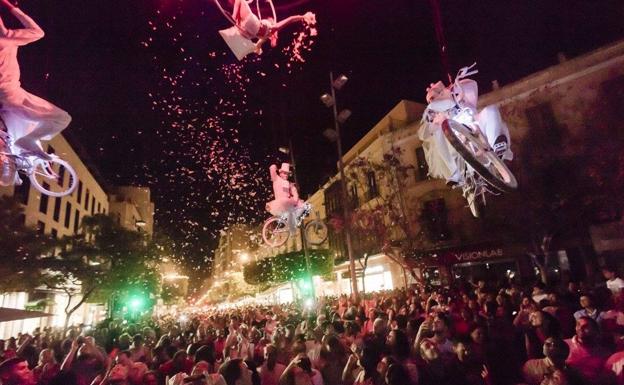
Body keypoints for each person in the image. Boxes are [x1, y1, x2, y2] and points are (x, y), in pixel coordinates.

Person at [417, 64, 512, 187]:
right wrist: (431, 120)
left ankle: (498, 144)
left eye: (435, 96)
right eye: (431, 100)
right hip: (457, 141)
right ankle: (454, 172)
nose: (434, 101)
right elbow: (424, 133)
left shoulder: (458, 96)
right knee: (437, 133)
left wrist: (455, 88)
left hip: (476, 127)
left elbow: (471, 86)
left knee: (491, 110)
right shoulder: (435, 114)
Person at [0, 0, 71, 161]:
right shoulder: (7, 38)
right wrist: (12, 8)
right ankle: (24, 146)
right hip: (11, 95)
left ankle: (18, 159)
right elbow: (38, 32)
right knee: (61, 118)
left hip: (7, 96)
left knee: (27, 126)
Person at [216, 0, 316, 60]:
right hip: (248, 32)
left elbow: (290, 20)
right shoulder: (267, 34)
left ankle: (233, 16)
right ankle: (234, 17)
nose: (270, 19)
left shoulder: (272, 29)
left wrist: (303, 16)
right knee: (240, 11)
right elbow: (289, 21)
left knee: (240, 2)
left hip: (249, 28)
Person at [266, 163, 305, 235]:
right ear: (280, 173)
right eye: (284, 173)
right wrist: (275, 167)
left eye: (287, 174)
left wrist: (296, 199)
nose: (286, 175)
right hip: (281, 202)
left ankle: (292, 227)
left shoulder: (289, 183)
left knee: (298, 207)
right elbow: (271, 168)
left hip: (286, 202)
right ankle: (292, 227)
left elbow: (294, 192)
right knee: (292, 207)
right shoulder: (276, 179)